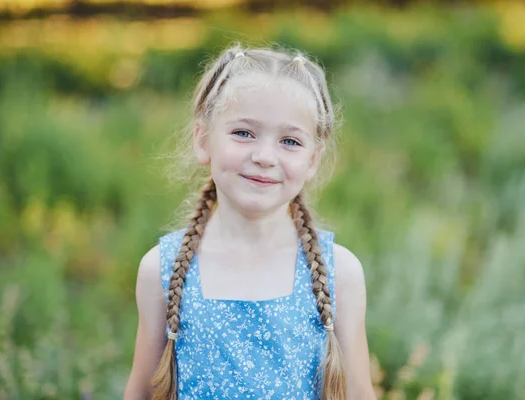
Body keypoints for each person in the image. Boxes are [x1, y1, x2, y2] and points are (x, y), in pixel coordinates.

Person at [124, 44, 375, 400]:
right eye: (244, 133)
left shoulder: (341, 274)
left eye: (289, 141)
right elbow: (141, 393)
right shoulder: (160, 270)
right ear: (203, 139)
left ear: (313, 159)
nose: (264, 157)